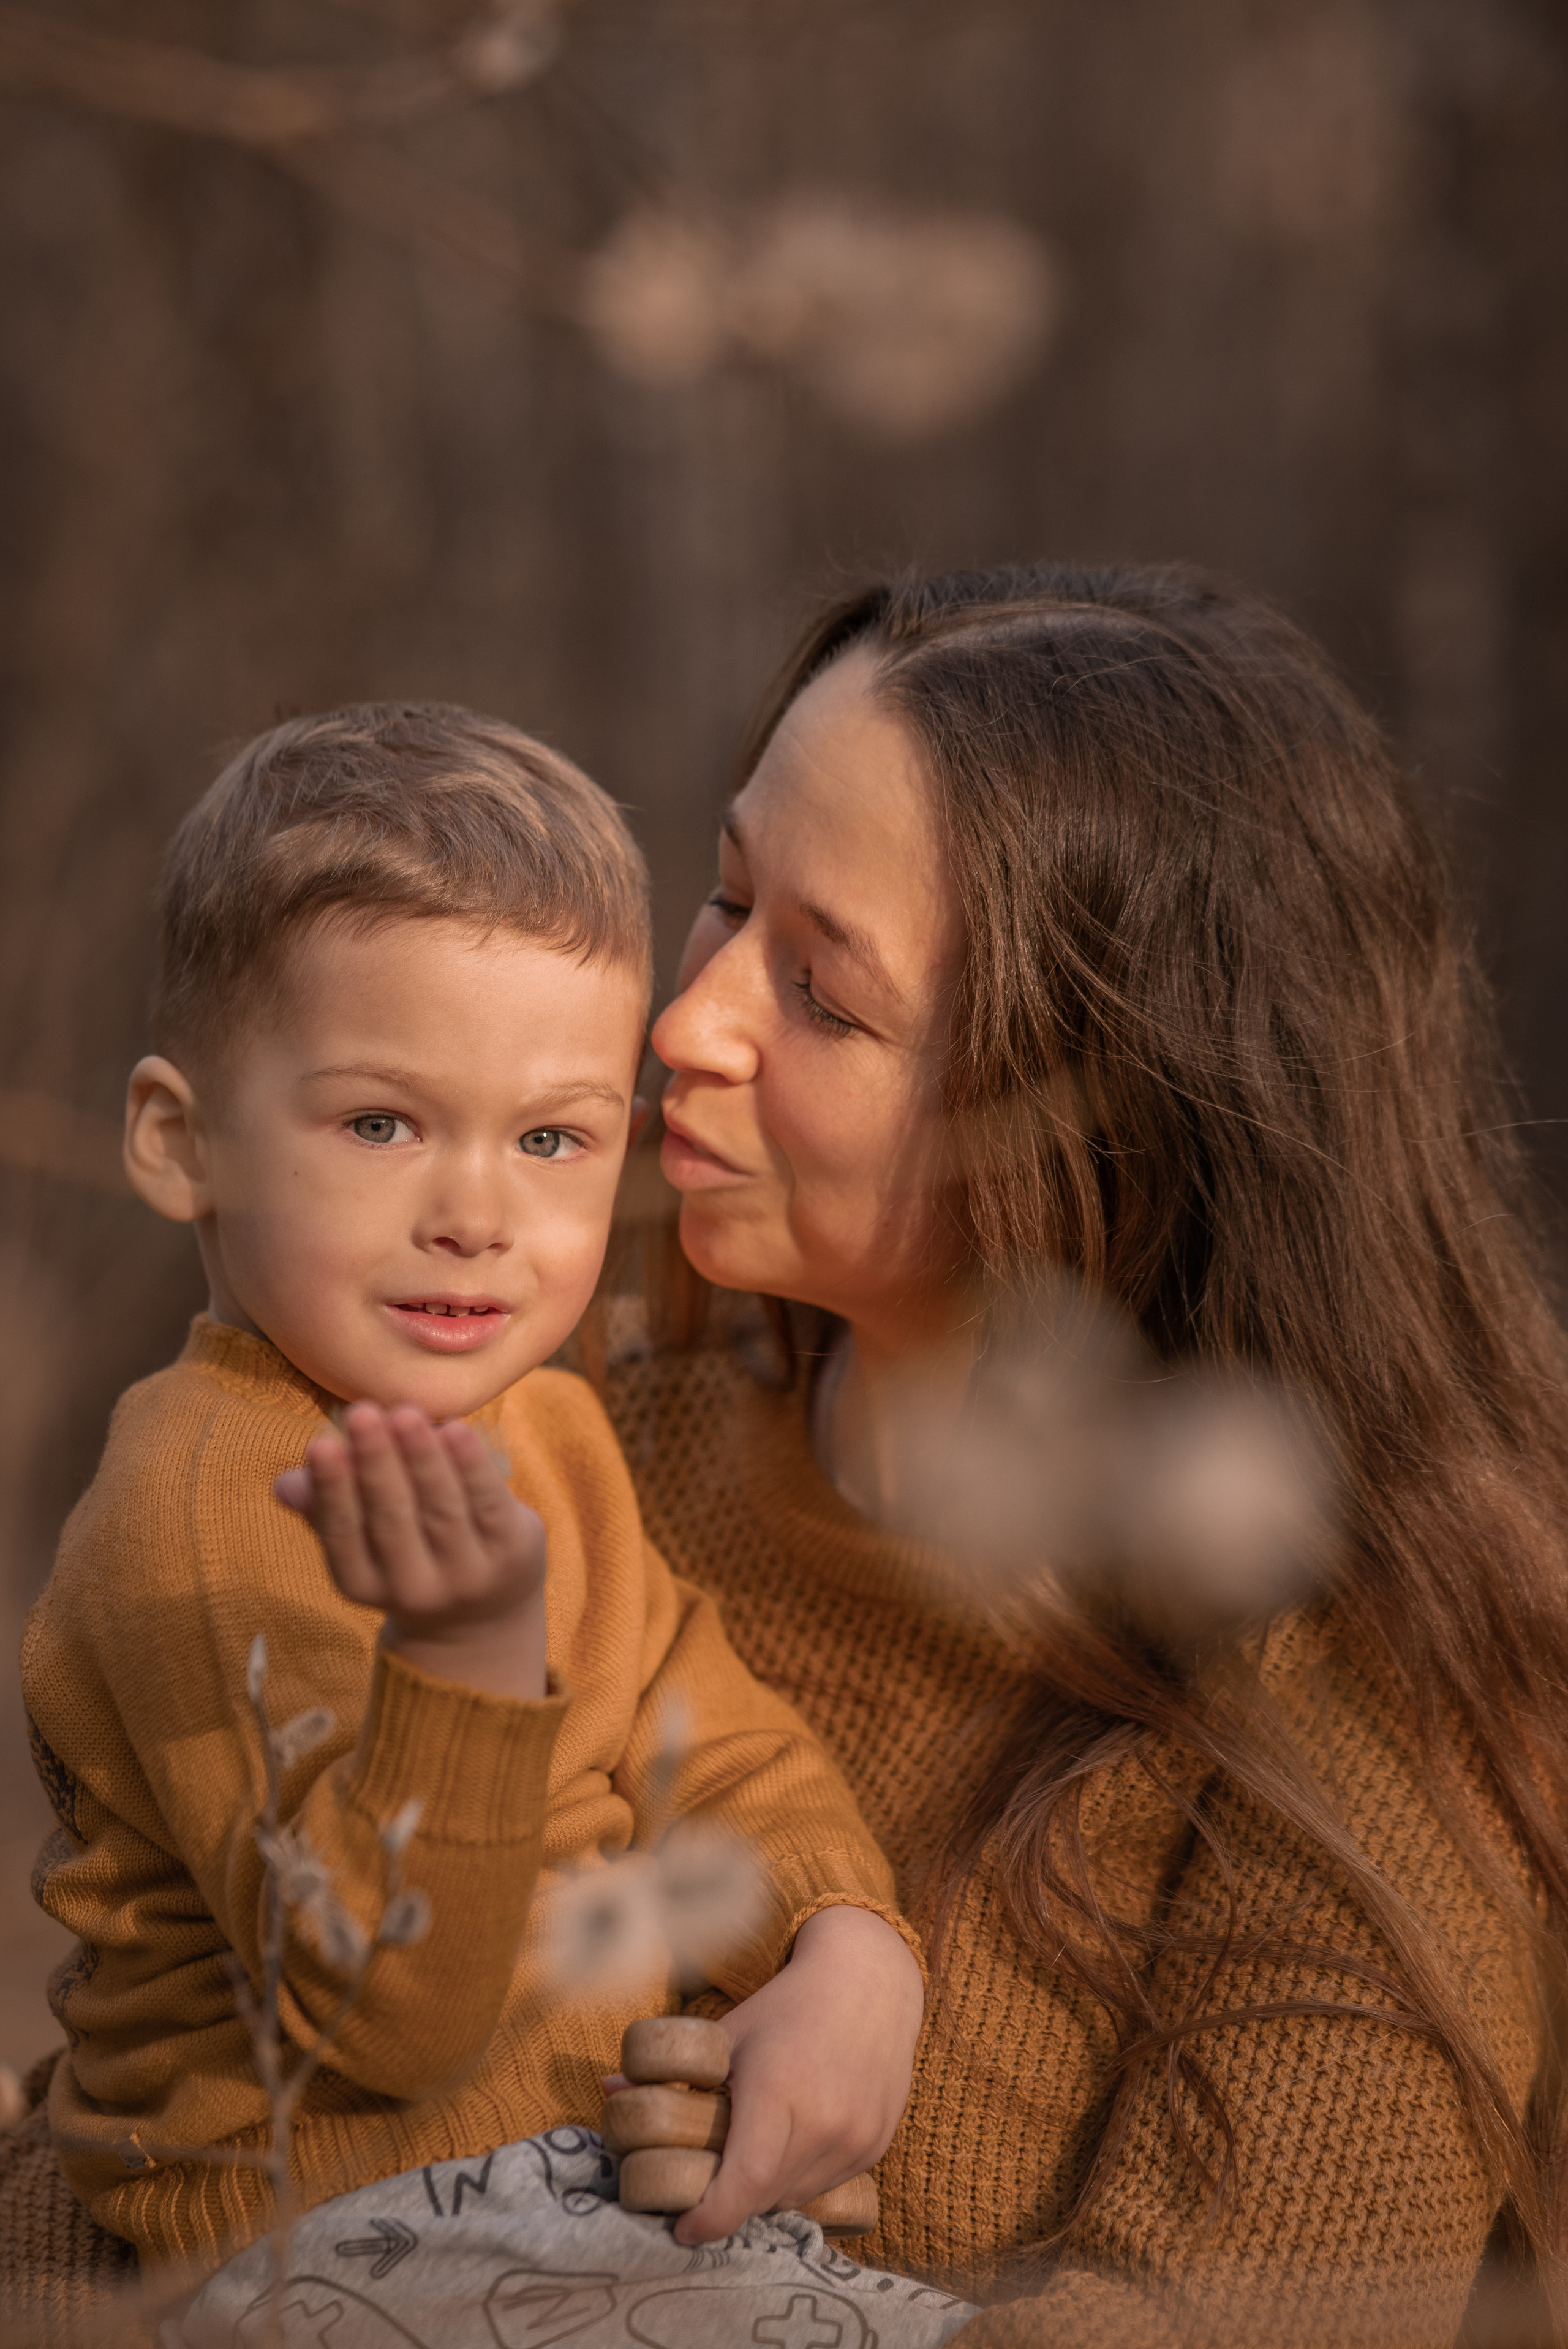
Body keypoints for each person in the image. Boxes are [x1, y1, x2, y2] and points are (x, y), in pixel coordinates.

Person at [605, 564, 1568, 2347]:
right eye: (726, 898)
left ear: (1107, 1117)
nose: (690, 1024)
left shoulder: (1369, 1704)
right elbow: (150, 2080)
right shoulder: (576, 1453)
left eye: (823, 994)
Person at [20, 703, 965, 2345]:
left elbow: (710, 1736)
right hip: (331, 2233)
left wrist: (845, 1940)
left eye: (549, 1139)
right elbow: (382, 2012)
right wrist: (459, 1665)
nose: (474, 1211)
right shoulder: (194, 1503)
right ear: (182, 1142)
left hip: (572, 2205)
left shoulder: (541, 1424)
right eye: (383, 1122)